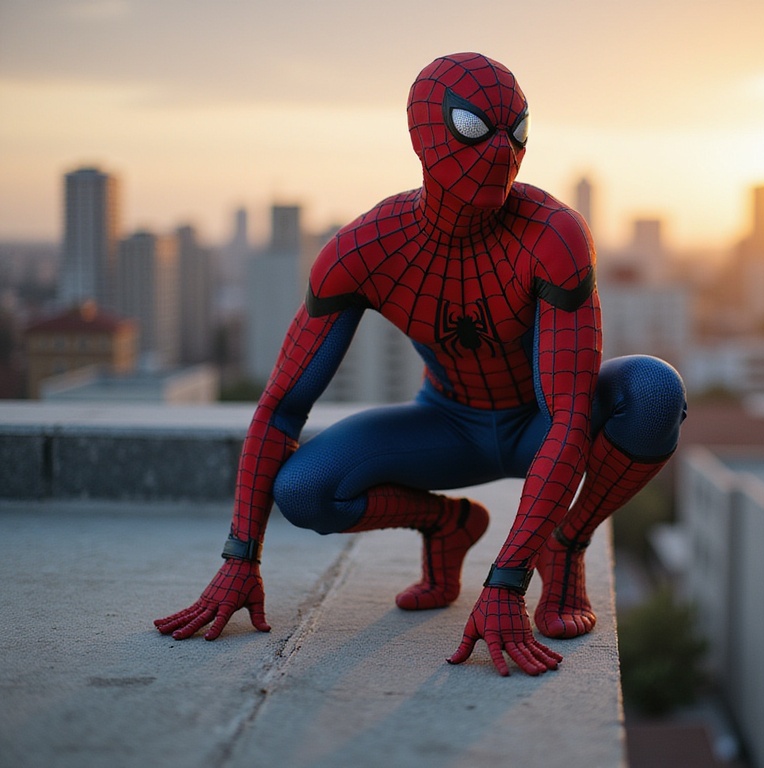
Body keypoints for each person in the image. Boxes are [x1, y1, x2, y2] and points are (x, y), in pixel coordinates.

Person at [155, 52, 686, 677]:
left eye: (514, 133)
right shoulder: (364, 249)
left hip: (541, 422)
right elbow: (280, 407)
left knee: (652, 392)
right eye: (472, 129)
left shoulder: (554, 234)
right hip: (448, 423)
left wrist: (507, 582)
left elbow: (568, 413)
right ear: (424, 135)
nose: (498, 153)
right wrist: (240, 556)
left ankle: (566, 547)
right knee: (303, 490)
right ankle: (447, 524)